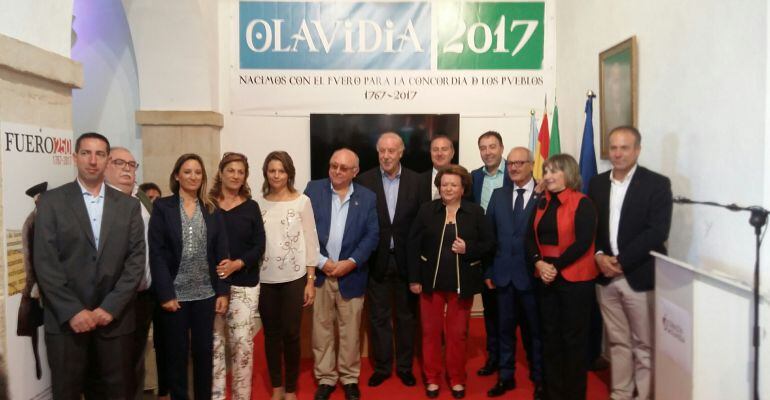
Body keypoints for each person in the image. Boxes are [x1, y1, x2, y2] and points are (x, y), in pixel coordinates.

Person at [34, 132, 145, 399]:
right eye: (86, 153)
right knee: (67, 391)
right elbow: (45, 262)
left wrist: (110, 307)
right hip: (66, 323)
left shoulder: (129, 206)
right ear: (75, 158)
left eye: (99, 154)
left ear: (107, 160)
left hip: (114, 321)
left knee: (115, 392)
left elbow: (136, 261)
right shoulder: (52, 202)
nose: (92, 161)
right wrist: (73, 311)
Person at [588, 126, 672, 400]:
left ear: (637, 149)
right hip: (605, 275)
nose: (618, 153)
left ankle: (645, 395)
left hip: (637, 275)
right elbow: (594, 226)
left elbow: (657, 231)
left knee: (643, 344)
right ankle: (621, 393)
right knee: (617, 342)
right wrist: (600, 256)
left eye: (625, 147)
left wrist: (621, 261)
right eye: (613, 147)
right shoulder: (597, 183)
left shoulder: (657, 184)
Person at [408, 165, 495, 399]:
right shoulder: (427, 210)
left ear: (463, 187)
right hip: (430, 284)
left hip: (461, 285)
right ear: (439, 186)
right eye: (444, 184)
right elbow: (413, 244)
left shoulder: (476, 212)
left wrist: (469, 248)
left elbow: (488, 243)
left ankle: (456, 378)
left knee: (457, 335)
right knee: (430, 333)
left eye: (453, 184)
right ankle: (432, 378)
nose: (448, 188)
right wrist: (414, 278)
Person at [149, 153, 230, 400]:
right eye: (187, 171)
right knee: (176, 354)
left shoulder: (211, 208)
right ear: (177, 175)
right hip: (175, 296)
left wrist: (223, 291)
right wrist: (166, 293)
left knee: (204, 353)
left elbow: (222, 253)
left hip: (206, 294)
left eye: (198, 172)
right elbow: (157, 254)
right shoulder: (163, 207)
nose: (193, 176)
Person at [304, 148, 379, 400]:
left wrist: (351, 262)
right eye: (333, 165)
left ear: (355, 171)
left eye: (343, 168)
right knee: (321, 329)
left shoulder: (367, 198)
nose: (336, 171)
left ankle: (349, 378)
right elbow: (304, 230)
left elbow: (372, 236)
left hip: (352, 275)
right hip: (321, 274)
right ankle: (326, 378)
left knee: (350, 332)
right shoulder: (313, 190)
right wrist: (322, 261)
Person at [527, 154, 598, 400]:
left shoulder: (583, 203)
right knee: (550, 339)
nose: (547, 176)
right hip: (545, 278)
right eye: (545, 172)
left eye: (554, 171)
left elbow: (583, 242)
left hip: (574, 281)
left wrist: (553, 267)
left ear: (569, 174)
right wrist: (538, 262)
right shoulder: (541, 203)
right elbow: (529, 238)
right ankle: (552, 392)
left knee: (573, 341)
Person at [356, 133, 421, 388]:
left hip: (408, 262)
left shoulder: (417, 181)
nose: (386, 156)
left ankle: (404, 367)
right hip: (377, 261)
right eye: (382, 150)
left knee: (407, 317)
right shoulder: (364, 180)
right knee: (378, 318)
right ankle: (383, 367)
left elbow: (421, 226)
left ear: (401, 152)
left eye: (391, 151)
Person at [258, 151, 320, 400]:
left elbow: (310, 240)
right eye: (272, 170)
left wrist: (311, 280)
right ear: (266, 173)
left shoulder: (302, 201)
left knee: (292, 334)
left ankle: (291, 388)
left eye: (281, 171)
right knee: (271, 335)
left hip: (295, 278)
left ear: (289, 174)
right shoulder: (258, 202)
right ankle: (277, 387)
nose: (276, 175)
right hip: (265, 279)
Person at [484, 147, 544, 399]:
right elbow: (489, 238)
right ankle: (505, 377)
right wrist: (488, 271)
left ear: (531, 165)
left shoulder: (544, 195)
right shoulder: (498, 196)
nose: (515, 167)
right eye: (511, 164)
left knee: (536, 332)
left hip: (532, 277)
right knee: (504, 330)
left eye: (521, 163)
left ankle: (540, 378)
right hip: (503, 276)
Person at [209, 152, 266, 400]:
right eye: (230, 170)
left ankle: (242, 396)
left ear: (245, 177)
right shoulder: (207, 204)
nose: (235, 175)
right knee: (214, 346)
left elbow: (259, 245)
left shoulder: (251, 207)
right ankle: (217, 396)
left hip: (244, 285)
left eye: (240, 172)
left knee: (243, 345)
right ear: (221, 172)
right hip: (210, 286)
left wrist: (237, 264)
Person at [103, 146, 153, 399]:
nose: (126, 169)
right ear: (105, 165)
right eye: (119, 163)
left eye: (131, 165)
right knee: (114, 365)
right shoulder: (100, 201)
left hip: (144, 295)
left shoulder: (141, 197)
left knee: (136, 359)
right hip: (115, 297)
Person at [470, 131, 512, 377]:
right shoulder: (474, 177)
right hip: (486, 252)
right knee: (492, 311)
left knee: (517, 313)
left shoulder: (515, 172)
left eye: (492, 146)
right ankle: (494, 357)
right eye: (483, 147)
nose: (488, 152)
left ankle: (519, 361)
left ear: (501, 147)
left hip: (512, 252)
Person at [418, 135, 455, 202]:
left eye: (444, 149)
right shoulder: (418, 181)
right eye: (435, 149)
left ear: (452, 153)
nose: (439, 153)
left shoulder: (463, 179)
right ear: (430, 153)